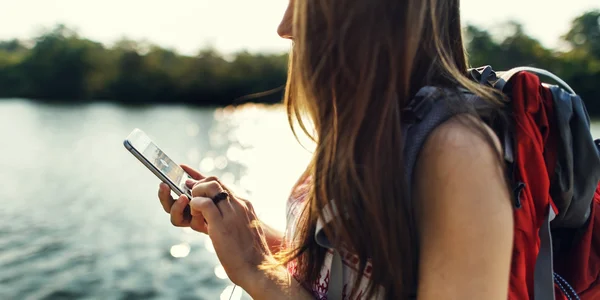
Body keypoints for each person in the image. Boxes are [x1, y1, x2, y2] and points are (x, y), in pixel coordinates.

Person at [158, 0, 514, 298]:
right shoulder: (363, 127)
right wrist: (246, 230)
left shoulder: (458, 154)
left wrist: (255, 270)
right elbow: (340, 274)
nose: (285, 26)